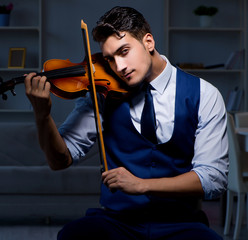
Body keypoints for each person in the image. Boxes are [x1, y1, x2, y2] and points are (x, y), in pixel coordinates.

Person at [24, 6, 228, 240]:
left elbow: (213, 178)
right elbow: (60, 160)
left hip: (181, 222)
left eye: (124, 51)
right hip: (118, 221)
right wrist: (42, 115)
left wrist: (143, 185)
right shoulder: (102, 94)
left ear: (148, 42)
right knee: (72, 235)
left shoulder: (205, 94)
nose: (119, 67)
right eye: (110, 59)